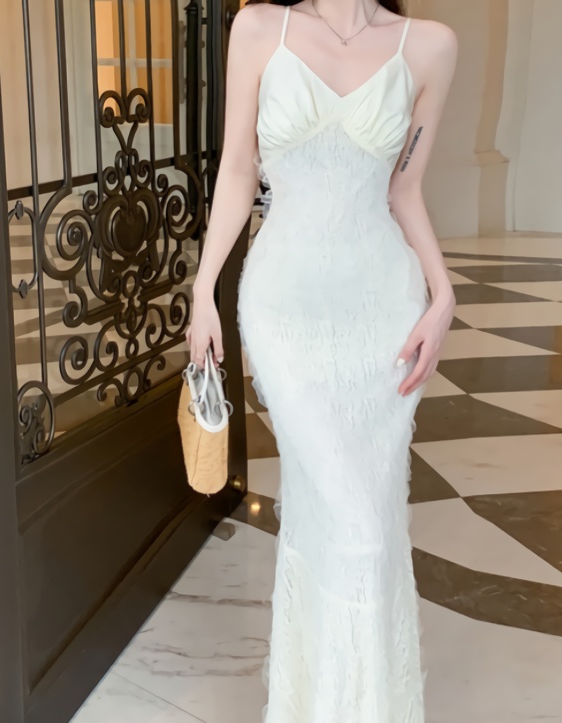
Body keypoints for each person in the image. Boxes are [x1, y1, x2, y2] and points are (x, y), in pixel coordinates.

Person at [185, 0, 458, 720]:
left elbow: (404, 188)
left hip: (383, 311)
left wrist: (442, 291)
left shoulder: (429, 46)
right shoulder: (258, 28)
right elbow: (237, 172)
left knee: (359, 514)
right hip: (285, 308)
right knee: (355, 525)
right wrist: (204, 289)